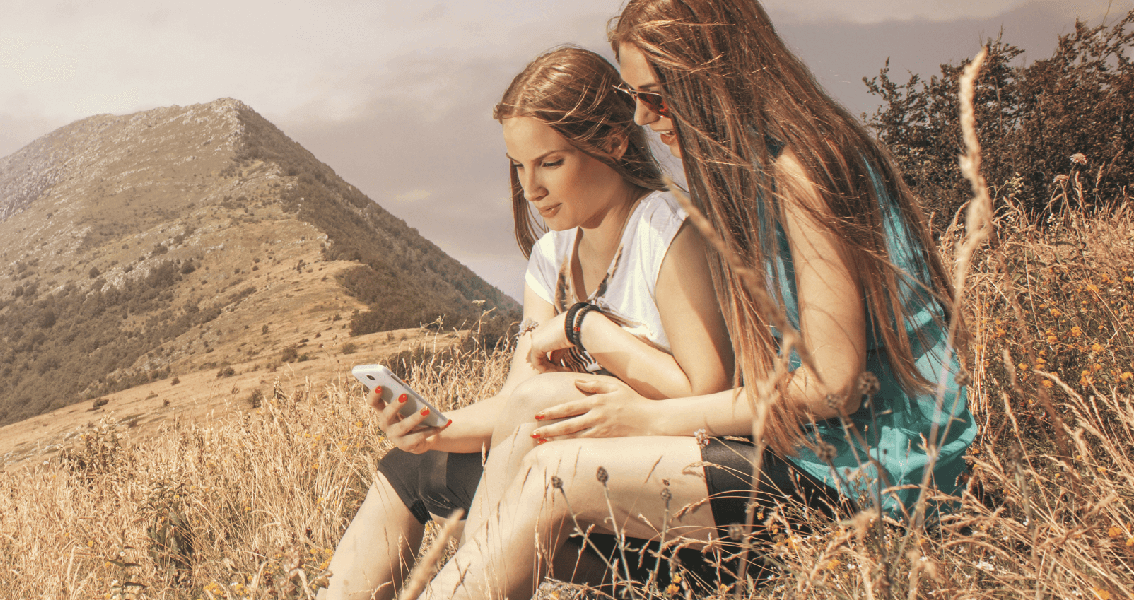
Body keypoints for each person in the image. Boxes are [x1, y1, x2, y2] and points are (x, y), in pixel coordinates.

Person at [417, 0, 979, 597]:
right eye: (635, 97)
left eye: (657, 96)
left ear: (716, 78)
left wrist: (649, 419)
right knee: (539, 443)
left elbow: (831, 385)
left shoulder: (804, 171)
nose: (643, 116)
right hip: (806, 456)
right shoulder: (755, 176)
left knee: (556, 473)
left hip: (872, 477)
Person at [321, 45, 733, 600]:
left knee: (541, 417)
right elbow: (520, 402)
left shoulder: (664, 228)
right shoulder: (552, 259)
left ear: (613, 142)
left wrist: (589, 328)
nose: (531, 188)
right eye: (519, 165)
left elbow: (707, 388)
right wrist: (432, 429)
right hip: (569, 475)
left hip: (656, 486)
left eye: (551, 162)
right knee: (409, 468)